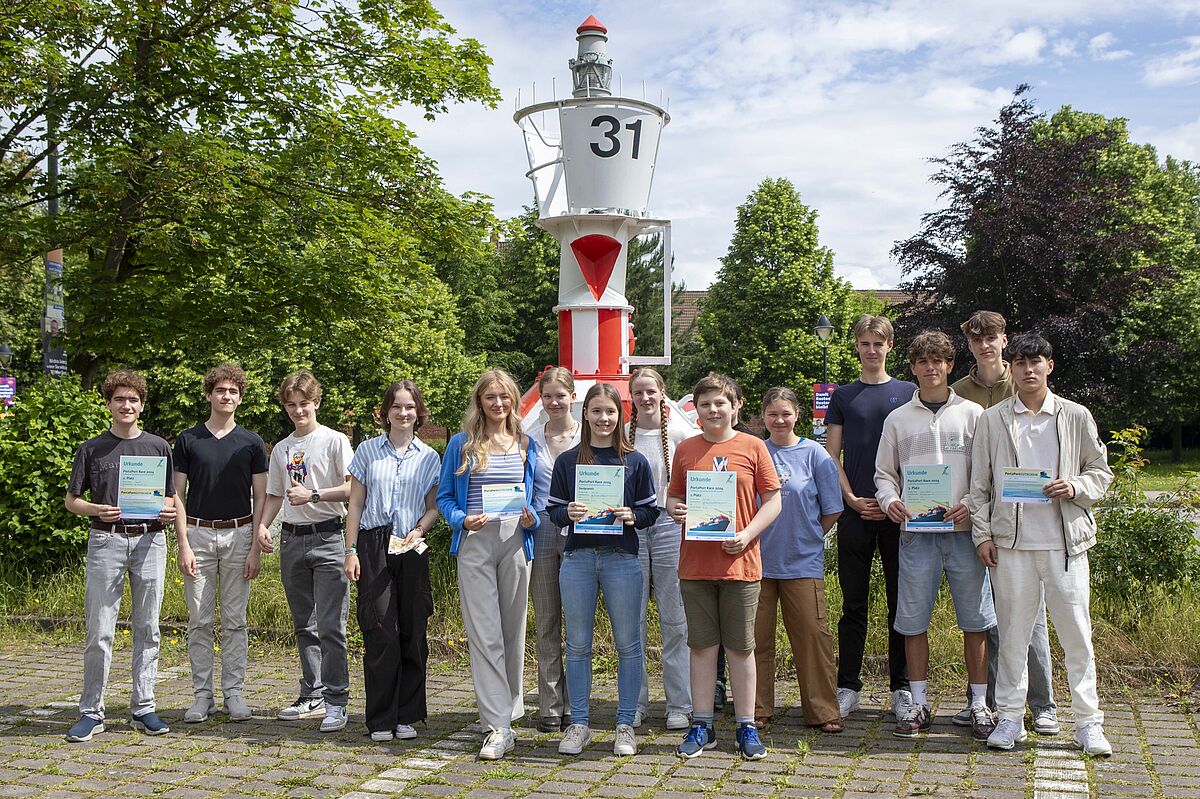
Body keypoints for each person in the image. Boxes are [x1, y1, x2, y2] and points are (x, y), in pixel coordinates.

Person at [968, 334, 1114, 756]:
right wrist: (982, 536)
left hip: (1066, 545)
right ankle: (1011, 718)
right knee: (1012, 635)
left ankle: (1089, 723)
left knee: (1077, 636)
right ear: (1011, 368)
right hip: (1011, 546)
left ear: (1050, 365)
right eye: (1020, 362)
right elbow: (979, 487)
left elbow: (1100, 473)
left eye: (1036, 362)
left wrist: (1076, 485)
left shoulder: (1074, 415)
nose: (1028, 369)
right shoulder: (992, 419)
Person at [875, 331, 995, 741]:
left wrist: (969, 501)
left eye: (938, 361)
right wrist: (890, 500)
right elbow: (884, 475)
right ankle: (919, 702)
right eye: (922, 361)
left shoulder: (974, 414)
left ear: (949, 365)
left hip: (964, 533)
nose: (930, 368)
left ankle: (979, 705)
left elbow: (986, 474)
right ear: (912, 367)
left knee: (975, 622)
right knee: (912, 622)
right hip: (917, 534)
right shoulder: (898, 419)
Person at [952, 311, 1058, 735]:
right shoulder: (958, 392)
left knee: (1030, 615)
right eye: (977, 339)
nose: (985, 345)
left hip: (1024, 519)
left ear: (1004, 340)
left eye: (992, 337)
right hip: (975, 518)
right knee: (985, 615)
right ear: (970, 344)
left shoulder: (1025, 380)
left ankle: (1042, 702)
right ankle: (988, 701)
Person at [667, 372, 781, 761]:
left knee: (740, 647)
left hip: (741, 565)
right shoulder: (686, 450)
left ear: (736, 405)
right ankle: (702, 725)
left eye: (720, 403)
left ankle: (746, 726)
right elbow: (673, 499)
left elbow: (773, 501)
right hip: (695, 566)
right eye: (705, 404)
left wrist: (747, 534)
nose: (713, 410)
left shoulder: (753, 447)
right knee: (701, 648)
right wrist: (676, 509)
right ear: (695, 409)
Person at [65, 369, 184, 742]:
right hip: (107, 542)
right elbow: (72, 501)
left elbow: (169, 497)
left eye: (133, 399)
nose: (126, 405)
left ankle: (143, 707)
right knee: (100, 631)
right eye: (120, 399)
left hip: (150, 542)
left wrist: (167, 511)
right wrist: (96, 510)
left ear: (141, 405)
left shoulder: (158, 447)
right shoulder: (91, 448)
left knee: (148, 628)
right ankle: (92, 712)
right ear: (108, 404)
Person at [549, 383, 658, 756]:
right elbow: (554, 511)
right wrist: (569, 513)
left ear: (620, 415)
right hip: (578, 559)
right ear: (586, 415)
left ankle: (625, 723)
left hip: (622, 559)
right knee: (577, 645)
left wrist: (632, 515)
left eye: (610, 412)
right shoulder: (568, 461)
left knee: (629, 645)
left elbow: (649, 512)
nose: (604, 418)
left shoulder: (635, 461)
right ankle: (578, 723)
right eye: (596, 411)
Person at [436, 368, 540, 761]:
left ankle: (508, 710)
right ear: (479, 401)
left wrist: (533, 518)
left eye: (504, 397)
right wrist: (461, 518)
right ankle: (497, 725)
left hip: (515, 540)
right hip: (476, 542)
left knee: (513, 632)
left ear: (514, 400)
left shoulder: (526, 444)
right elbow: (445, 497)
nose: (498, 404)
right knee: (485, 634)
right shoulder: (462, 444)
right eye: (490, 397)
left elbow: (539, 499)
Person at [824, 315, 915, 720]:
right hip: (856, 513)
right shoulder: (843, 396)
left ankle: (901, 688)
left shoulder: (909, 392)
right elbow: (831, 456)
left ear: (890, 347)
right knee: (853, 605)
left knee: (902, 604)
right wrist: (851, 499)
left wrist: (895, 500)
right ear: (857, 347)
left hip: (899, 515)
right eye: (864, 343)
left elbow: (916, 456)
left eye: (878, 343)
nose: (871, 350)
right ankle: (848, 686)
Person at [344, 380, 441, 741]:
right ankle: (381, 717)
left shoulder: (429, 457)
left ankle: (407, 715)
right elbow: (355, 504)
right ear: (385, 412)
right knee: (381, 630)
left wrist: (420, 529)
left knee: (414, 630)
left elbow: (434, 508)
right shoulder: (368, 451)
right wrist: (350, 551)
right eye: (397, 407)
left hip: (411, 545)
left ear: (418, 412)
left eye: (410, 407)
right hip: (373, 544)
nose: (403, 413)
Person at [257, 369, 354, 732]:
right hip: (292, 540)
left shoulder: (334, 441)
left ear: (317, 402)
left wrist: (314, 494)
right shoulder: (282, 448)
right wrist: (263, 526)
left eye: (305, 404)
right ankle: (311, 693)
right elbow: (275, 495)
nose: (299, 411)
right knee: (304, 624)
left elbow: (351, 490)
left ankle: (336, 700)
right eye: (292, 406)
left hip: (329, 537)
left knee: (332, 625)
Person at [173, 363, 269, 724]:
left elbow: (261, 497)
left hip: (240, 535)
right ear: (209, 395)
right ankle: (202, 696)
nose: (226, 396)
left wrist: (255, 547)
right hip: (197, 534)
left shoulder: (251, 442)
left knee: (235, 621)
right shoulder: (188, 440)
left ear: (240, 398)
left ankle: (234, 694)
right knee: (199, 620)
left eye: (232, 391)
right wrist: (182, 543)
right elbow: (177, 495)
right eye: (220, 391)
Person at [754, 387, 844, 733]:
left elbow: (832, 510)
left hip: (802, 562)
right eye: (772, 414)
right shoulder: (755, 451)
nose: (779, 420)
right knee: (756, 640)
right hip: (757, 562)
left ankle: (822, 710)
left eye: (785, 414)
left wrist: (806, 536)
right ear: (763, 416)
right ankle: (758, 708)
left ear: (797, 415)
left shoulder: (815, 455)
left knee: (812, 637)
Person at [627, 367, 695, 731]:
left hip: (670, 528)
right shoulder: (624, 434)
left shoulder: (683, 434)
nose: (645, 398)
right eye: (638, 392)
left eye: (650, 391)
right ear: (632, 398)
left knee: (675, 621)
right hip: (632, 529)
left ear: (662, 393)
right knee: (632, 620)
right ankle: (634, 703)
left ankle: (679, 704)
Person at [527, 367, 580, 733]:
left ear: (573, 396)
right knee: (546, 620)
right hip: (543, 528)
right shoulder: (529, 438)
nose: (554, 402)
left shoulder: (591, 436)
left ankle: (578, 703)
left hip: (583, 529)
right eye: (548, 396)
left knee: (578, 624)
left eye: (561, 395)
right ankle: (550, 704)